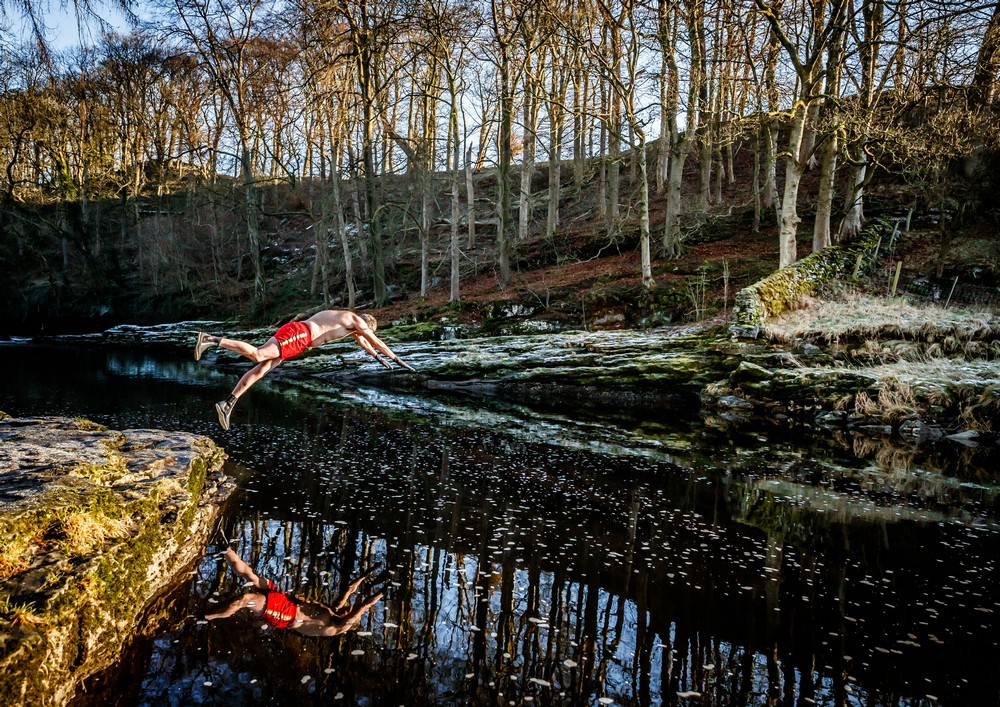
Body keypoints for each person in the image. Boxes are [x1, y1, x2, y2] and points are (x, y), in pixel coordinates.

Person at [194, 310, 415, 429]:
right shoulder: (357, 321)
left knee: (262, 370)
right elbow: (374, 341)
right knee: (259, 355)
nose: (361, 335)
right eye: (364, 331)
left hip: (298, 334)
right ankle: (210, 339)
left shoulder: (347, 321)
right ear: (367, 324)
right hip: (300, 335)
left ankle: (227, 404)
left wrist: (377, 358)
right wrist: (396, 358)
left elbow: (367, 344)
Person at [205, 547, 385, 637]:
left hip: (286, 614)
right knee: (252, 576)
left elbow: (364, 605)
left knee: (245, 598)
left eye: (347, 609)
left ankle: (204, 617)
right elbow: (348, 590)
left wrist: (383, 591)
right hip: (286, 601)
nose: (345, 607)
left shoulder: (340, 625)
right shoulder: (334, 611)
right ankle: (225, 548)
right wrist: (363, 576)